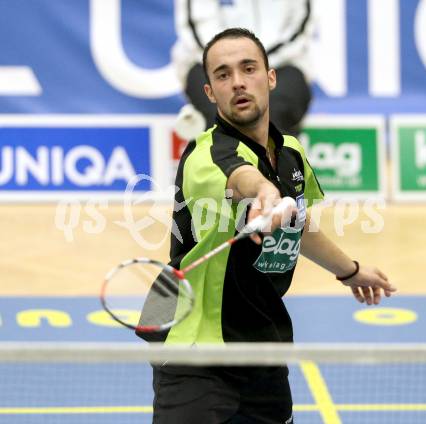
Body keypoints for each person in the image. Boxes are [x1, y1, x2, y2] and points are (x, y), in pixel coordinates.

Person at [139, 28, 396, 424]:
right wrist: (264, 194)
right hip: (197, 349)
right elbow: (241, 178)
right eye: (223, 75)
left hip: (263, 345)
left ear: (270, 78)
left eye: (248, 68)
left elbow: (300, 226)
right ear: (210, 93)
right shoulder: (205, 154)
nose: (238, 81)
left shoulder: (291, 154)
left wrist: (351, 271)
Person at [172, 0, 314, 138]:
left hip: (283, 62)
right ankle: (226, 157)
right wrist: (234, 61)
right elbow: (195, 28)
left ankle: (275, 158)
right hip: (208, 62)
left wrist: (254, 62)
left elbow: (300, 24)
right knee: (219, 118)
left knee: (273, 116)